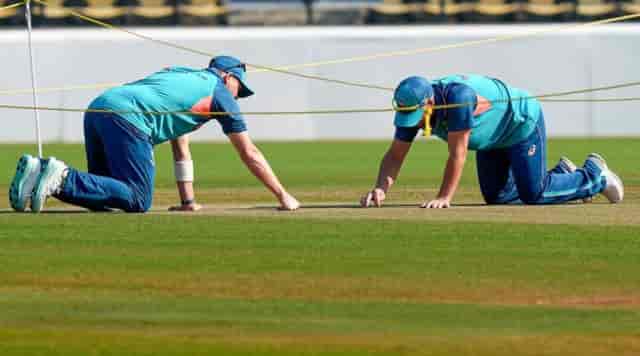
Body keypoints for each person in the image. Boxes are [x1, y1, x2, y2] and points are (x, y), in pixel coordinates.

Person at [9, 55, 300, 213]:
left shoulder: (182, 75)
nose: (240, 95)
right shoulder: (220, 94)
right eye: (240, 87)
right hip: (128, 119)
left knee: (104, 196)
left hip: (99, 108)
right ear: (227, 77)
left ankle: (42, 175)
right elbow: (249, 153)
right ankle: (61, 176)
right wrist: (283, 195)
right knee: (137, 200)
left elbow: (180, 147)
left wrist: (188, 202)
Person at [360, 75, 624, 208]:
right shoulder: (412, 111)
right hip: (491, 142)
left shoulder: (458, 98)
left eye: (417, 116)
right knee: (497, 198)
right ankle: (561, 175)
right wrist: (381, 188)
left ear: (428, 103)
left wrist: (444, 197)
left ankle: (594, 175)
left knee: (534, 194)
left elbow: (457, 154)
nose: (413, 123)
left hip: (521, 123)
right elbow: (395, 155)